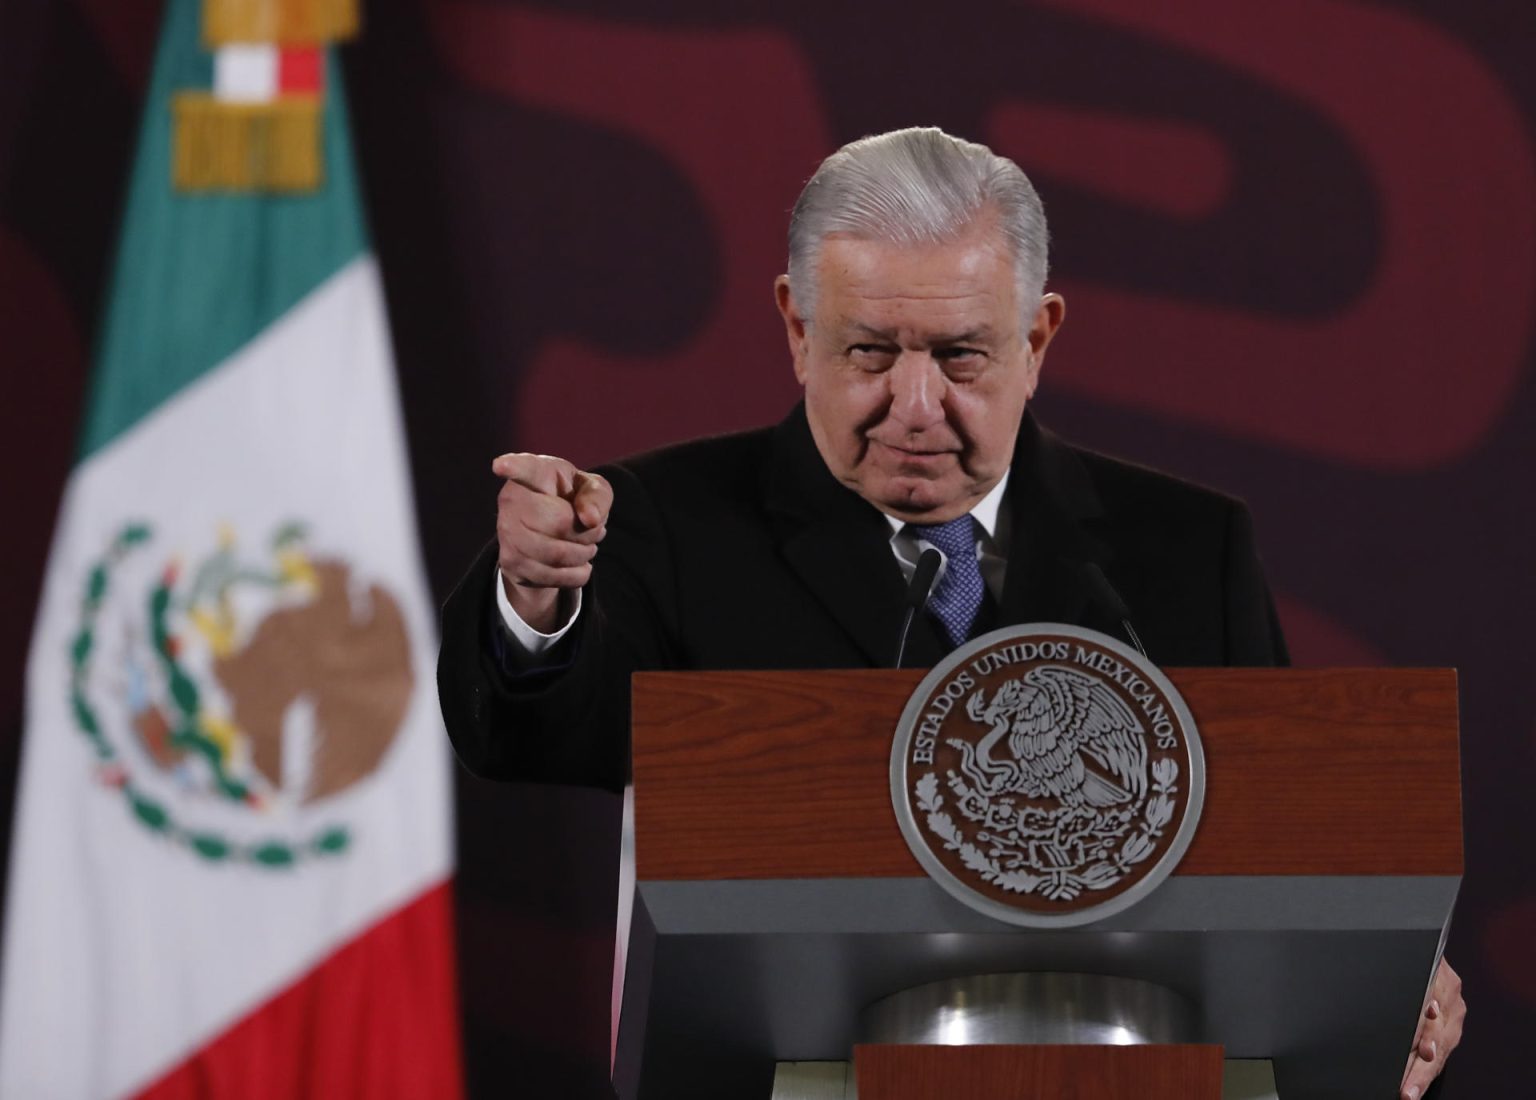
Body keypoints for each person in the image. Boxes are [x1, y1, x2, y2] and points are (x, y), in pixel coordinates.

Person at [436, 127, 1461, 1098]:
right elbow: (524, 730)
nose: (915, 405)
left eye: (961, 356)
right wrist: (537, 598)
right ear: (797, 327)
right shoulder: (665, 524)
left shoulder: (1185, 548)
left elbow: (1281, 851)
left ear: (1038, 336)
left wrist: (1396, 968)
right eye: (871, 353)